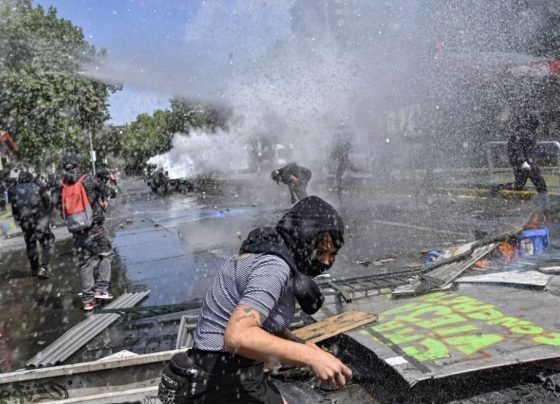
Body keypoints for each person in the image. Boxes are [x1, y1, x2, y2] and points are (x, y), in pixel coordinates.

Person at [158, 196, 352, 403]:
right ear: (300, 238)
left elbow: (266, 326)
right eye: (320, 252)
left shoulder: (270, 253)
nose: (326, 261)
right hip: (220, 378)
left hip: (230, 371)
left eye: (332, 254)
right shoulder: (273, 268)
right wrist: (311, 357)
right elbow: (238, 337)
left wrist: (306, 347)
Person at [59, 153, 117, 311]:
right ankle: (101, 289)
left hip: (77, 231)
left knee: (85, 262)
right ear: (78, 165)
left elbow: (61, 209)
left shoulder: (61, 185)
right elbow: (110, 192)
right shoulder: (88, 179)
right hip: (95, 226)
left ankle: (87, 300)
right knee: (106, 254)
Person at [8, 171, 54, 278]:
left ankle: (34, 269)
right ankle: (43, 267)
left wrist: (19, 221)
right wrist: (48, 218)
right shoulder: (38, 187)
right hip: (40, 221)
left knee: (31, 245)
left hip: (26, 223)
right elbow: (48, 203)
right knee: (47, 242)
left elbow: (14, 208)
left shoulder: (15, 190)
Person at [504, 111, 550, 211]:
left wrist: (531, 160)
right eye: (536, 120)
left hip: (528, 162)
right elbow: (517, 148)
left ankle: (546, 207)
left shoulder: (531, 131)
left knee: (534, 184)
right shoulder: (521, 131)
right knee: (523, 185)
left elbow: (528, 149)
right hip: (522, 163)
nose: (538, 123)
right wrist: (522, 162)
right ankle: (499, 188)